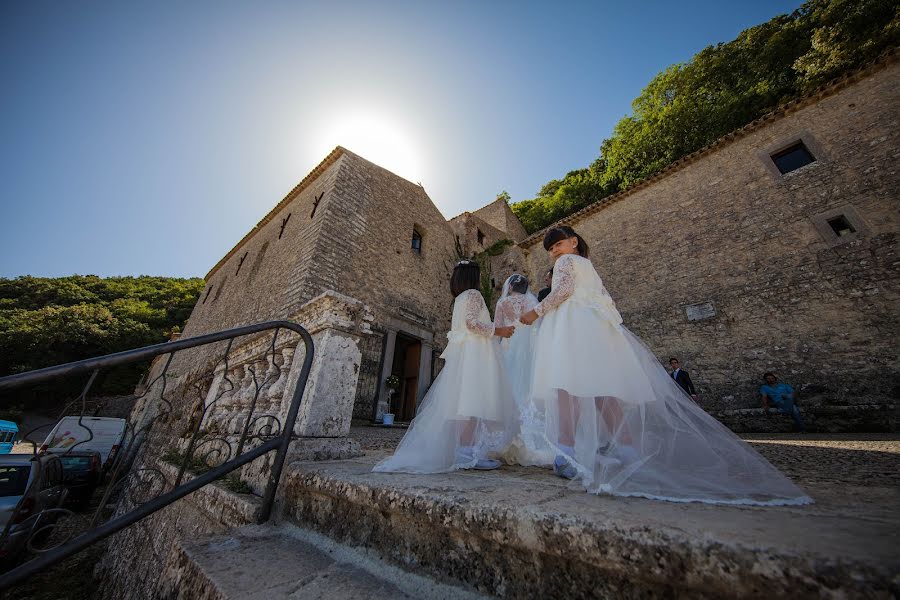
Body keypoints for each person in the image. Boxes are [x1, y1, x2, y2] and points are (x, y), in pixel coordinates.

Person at [518, 225, 811, 506]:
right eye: (551, 248)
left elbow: (564, 290)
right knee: (604, 387)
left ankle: (566, 453)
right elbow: (607, 300)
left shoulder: (567, 262)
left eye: (558, 244)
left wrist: (537, 312)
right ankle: (629, 450)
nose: (555, 251)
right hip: (597, 326)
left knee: (567, 386)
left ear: (573, 241)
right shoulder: (589, 266)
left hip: (572, 325)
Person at [374, 260, 517, 473]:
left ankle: (464, 449)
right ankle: (467, 453)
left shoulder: (458, 299)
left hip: (464, 352)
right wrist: (500, 330)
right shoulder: (474, 295)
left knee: (464, 401)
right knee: (473, 400)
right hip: (475, 352)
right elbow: (472, 324)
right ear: (473, 277)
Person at [494, 274, 554, 466]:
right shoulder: (531, 300)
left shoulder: (503, 302)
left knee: (508, 385)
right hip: (529, 346)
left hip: (509, 344)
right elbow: (537, 325)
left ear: (510, 287)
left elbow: (498, 327)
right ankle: (532, 433)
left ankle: (506, 431)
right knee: (528, 384)